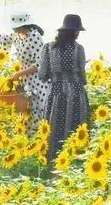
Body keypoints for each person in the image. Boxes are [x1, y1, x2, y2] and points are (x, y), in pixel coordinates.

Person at [0, 10, 50, 134]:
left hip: (36, 79)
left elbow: (39, 64)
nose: (13, 29)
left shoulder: (34, 36)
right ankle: (26, 137)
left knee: (37, 108)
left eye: (15, 26)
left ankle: (40, 137)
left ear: (22, 25)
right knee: (24, 108)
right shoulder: (17, 35)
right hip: (24, 79)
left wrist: (18, 74)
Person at [38, 14, 89, 162]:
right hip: (76, 94)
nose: (78, 34)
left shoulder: (47, 48)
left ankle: (52, 160)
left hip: (55, 93)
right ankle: (75, 159)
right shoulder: (78, 49)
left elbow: (42, 75)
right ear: (73, 32)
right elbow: (83, 77)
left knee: (53, 129)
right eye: (78, 30)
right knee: (76, 127)